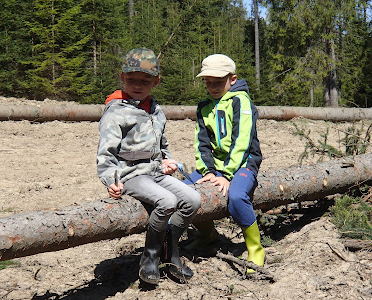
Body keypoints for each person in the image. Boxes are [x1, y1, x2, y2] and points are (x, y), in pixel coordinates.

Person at [97, 48, 201, 285]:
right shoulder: (116, 112)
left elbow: (162, 144)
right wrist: (112, 181)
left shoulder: (155, 109)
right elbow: (106, 153)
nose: (137, 85)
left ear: (156, 81)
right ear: (122, 78)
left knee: (193, 200)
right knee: (167, 202)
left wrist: (166, 160)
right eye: (131, 79)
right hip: (131, 174)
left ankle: (171, 250)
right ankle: (150, 257)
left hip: (155, 172)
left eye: (145, 81)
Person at [184, 53, 265, 275]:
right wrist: (209, 171)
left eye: (218, 82)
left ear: (232, 78)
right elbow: (201, 143)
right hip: (216, 166)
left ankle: (255, 248)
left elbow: (242, 140)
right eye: (208, 83)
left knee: (237, 197)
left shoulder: (241, 101)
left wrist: (227, 174)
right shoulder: (203, 107)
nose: (212, 87)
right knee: (184, 191)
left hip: (243, 162)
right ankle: (207, 234)